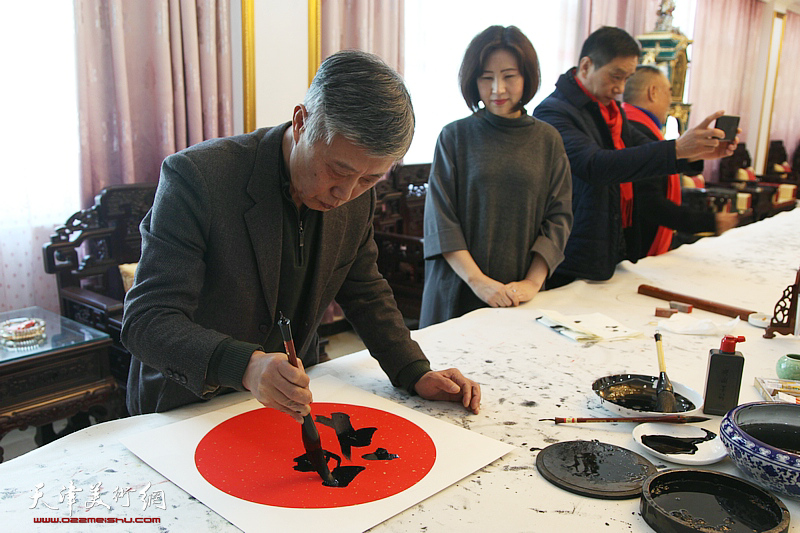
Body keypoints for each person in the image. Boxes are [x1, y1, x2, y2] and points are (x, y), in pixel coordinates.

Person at [121, 50, 481, 419]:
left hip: (289, 398)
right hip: (188, 404)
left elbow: (365, 291)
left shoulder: (357, 194)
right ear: (301, 122)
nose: (346, 193)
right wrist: (246, 365)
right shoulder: (199, 178)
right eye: (338, 170)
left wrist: (414, 371)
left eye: (371, 178)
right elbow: (147, 319)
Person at [533, 26, 738, 287]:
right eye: (615, 76)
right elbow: (596, 165)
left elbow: (643, 149)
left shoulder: (611, 111)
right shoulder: (554, 112)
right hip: (571, 249)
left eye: (627, 78)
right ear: (586, 66)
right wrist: (678, 148)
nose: (620, 88)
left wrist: (700, 151)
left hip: (609, 246)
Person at [420, 25, 572, 328]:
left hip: (520, 294)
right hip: (458, 289)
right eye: (486, 77)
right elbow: (441, 220)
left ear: (527, 77)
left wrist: (532, 282)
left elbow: (558, 219)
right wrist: (479, 282)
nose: (497, 89)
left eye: (509, 76)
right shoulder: (454, 136)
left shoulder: (547, 139)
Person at [621, 65, 739, 259]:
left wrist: (698, 153)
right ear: (653, 92)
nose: (671, 100)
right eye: (669, 91)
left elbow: (662, 164)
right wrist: (709, 222)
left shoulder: (634, 126)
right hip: (637, 243)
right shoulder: (638, 131)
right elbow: (649, 202)